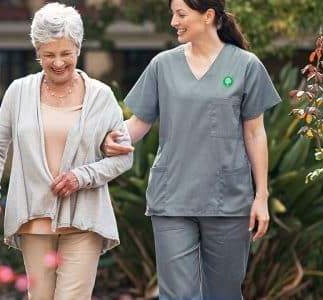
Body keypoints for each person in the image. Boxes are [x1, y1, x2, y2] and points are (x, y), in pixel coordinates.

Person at [101, 0, 281, 298]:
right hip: (173, 198)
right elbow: (138, 123)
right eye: (173, 14)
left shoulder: (246, 66)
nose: (174, 22)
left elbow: (255, 133)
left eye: (181, 14)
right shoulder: (163, 65)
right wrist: (110, 139)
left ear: (208, 16)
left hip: (228, 200)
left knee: (223, 294)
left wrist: (261, 196)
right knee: (176, 296)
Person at [0, 3, 133, 299]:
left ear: (79, 48)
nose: (58, 62)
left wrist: (82, 176)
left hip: (84, 219)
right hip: (34, 220)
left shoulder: (101, 96)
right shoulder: (18, 92)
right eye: (49, 55)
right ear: (37, 53)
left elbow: (124, 157)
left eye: (66, 54)